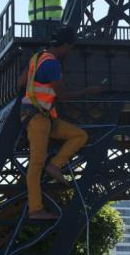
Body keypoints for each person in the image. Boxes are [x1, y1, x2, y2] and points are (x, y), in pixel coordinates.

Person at [17, 26, 101, 220]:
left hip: (41, 117)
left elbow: (20, 83)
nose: (69, 52)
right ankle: (35, 210)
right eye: (70, 48)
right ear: (65, 45)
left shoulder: (37, 57)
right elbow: (62, 96)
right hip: (38, 119)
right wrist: (89, 91)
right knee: (36, 163)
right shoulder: (53, 64)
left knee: (80, 135)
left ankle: (54, 165)